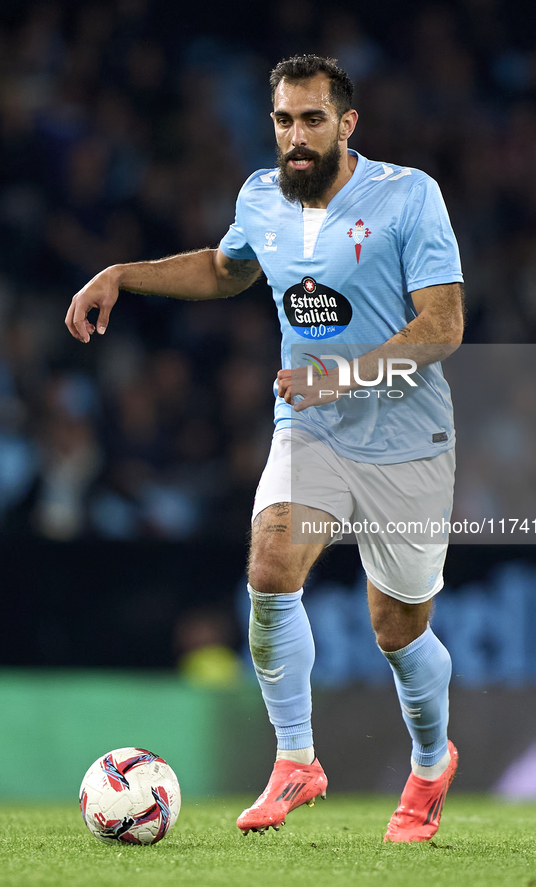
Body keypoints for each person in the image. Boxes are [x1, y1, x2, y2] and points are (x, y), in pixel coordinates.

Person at [65, 54, 464, 843]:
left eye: (312, 118)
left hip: (408, 438)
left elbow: (443, 326)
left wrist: (344, 377)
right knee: (269, 567)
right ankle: (296, 759)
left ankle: (428, 761)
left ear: (346, 124)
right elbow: (223, 269)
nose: (296, 135)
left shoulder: (407, 195)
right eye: (284, 119)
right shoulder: (260, 195)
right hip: (309, 426)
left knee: (396, 628)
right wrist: (121, 274)